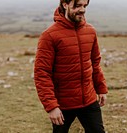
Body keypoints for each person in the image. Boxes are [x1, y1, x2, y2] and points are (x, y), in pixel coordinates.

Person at [34, 0, 108, 132]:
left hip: (89, 99)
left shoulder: (90, 31)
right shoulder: (49, 36)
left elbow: (95, 63)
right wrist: (51, 106)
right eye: (78, 5)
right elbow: (42, 73)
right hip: (63, 104)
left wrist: (101, 88)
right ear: (65, 4)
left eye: (85, 6)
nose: (83, 9)